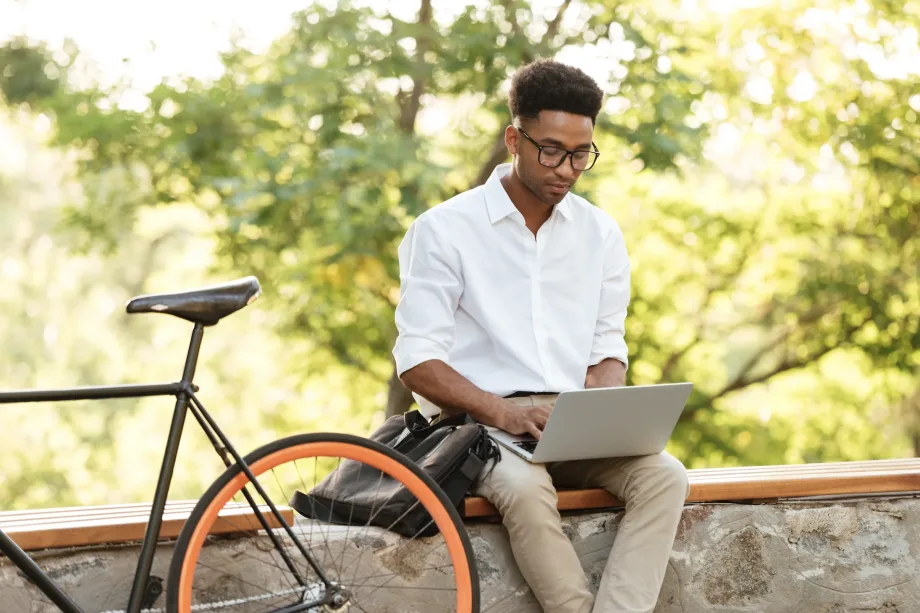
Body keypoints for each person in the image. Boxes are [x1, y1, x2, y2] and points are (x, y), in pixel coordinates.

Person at [391, 58, 689, 613]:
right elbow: (418, 361)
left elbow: (607, 350)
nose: (567, 170)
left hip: (571, 422)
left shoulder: (600, 234)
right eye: (551, 151)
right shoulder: (443, 231)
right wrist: (502, 412)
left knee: (665, 477)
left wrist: (601, 407)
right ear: (514, 140)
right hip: (480, 426)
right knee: (527, 492)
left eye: (581, 154)